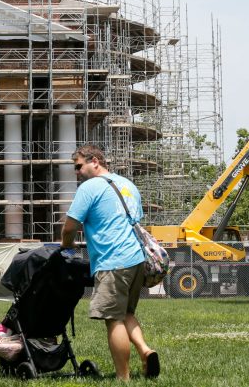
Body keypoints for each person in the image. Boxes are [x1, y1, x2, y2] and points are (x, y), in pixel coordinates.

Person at [60, 144, 160, 381]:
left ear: (94, 161)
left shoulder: (89, 187)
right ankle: (146, 351)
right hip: (137, 259)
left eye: (78, 166)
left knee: (113, 319)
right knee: (126, 312)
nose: (77, 172)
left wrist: (66, 245)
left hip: (112, 260)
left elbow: (70, 226)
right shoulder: (128, 185)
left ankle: (122, 378)